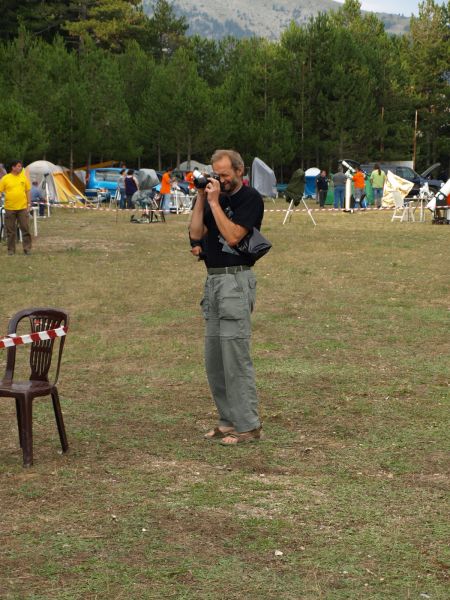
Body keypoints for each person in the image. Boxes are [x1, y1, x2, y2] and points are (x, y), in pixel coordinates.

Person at [189, 149, 264, 445]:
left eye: (224, 174)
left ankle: (249, 425)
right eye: (215, 174)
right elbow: (196, 234)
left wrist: (215, 202)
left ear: (239, 170)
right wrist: (200, 198)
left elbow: (234, 236)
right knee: (215, 359)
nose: (219, 179)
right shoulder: (210, 199)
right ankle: (228, 420)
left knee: (235, 356)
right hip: (214, 281)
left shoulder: (251, 199)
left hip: (236, 279)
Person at [0, 160, 32, 255]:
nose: (20, 168)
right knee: (10, 231)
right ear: (13, 167)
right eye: (18, 166)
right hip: (10, 208)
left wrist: (29, 204)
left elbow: (28, 191)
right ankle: (11, 250)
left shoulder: (24, 178)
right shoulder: (5, 179)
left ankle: (27, 249)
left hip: (22, 208)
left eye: (21, 166)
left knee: (25, 229)